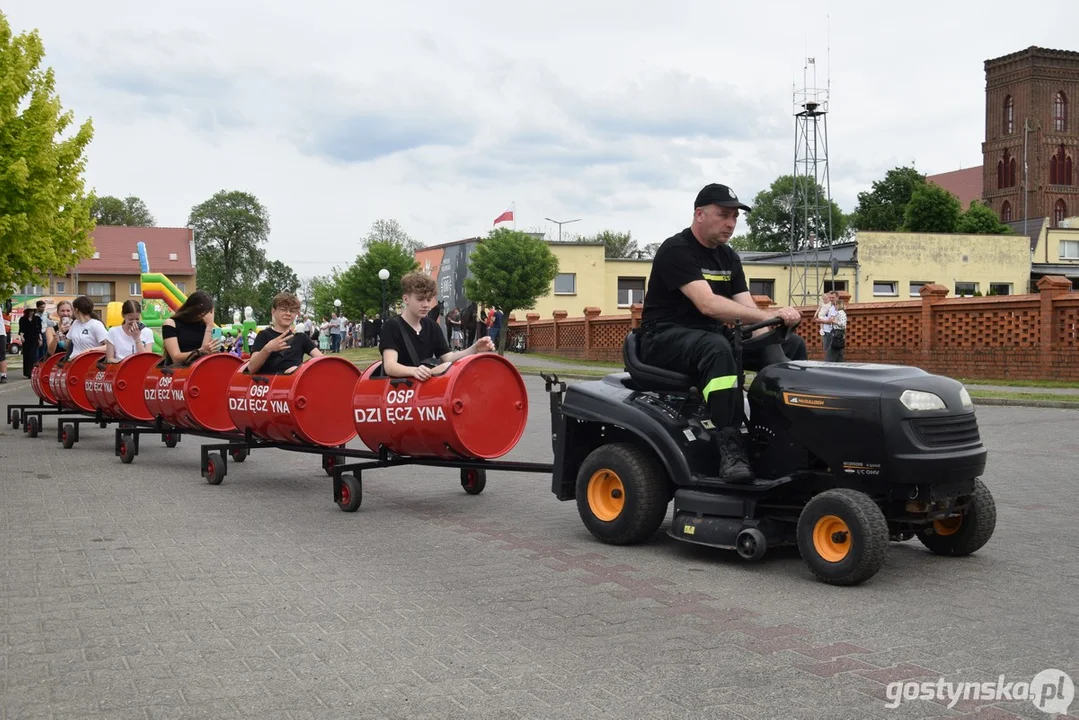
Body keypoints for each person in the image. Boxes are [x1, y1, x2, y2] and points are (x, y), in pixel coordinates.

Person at [639, 183, 807, 485]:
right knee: (718, 349)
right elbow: (708, 305)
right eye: (723, 215)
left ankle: (781, 433)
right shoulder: (676, 250)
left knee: (791, 346)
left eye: (734, 217)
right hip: (663, 337)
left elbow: (747, 310)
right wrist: (768, 315)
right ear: (699, 214)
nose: (730, 224)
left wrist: (778, 326)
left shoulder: (728, 257)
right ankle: (730, 446)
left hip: (709, 336)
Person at [380, 272, 494, 379]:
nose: (426, 305)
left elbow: (448, 358)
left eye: (429, 300)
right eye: (420, 299)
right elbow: (390, 366)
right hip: (399, 391)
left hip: (425, 388)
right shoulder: (391, 326)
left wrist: (474, 348)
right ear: (406, 299)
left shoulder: (432, 326)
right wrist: (414, 371)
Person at [247, 292, 322, 374]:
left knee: (294, 369)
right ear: (273, 311)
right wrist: (268, 349)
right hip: (270, 383)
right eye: (283, 309)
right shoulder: (264, 335)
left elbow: (323, 361)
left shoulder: (301, 338)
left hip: (295, 382)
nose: (288, 314)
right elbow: (251, 368)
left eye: (292, 311)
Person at [161, 290, 222, 365]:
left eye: (208, 312)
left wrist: (209, 326)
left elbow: (208, 356)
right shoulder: (171, 323)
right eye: (202, 312)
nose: (204, 316)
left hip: (203, 369)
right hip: (180, 370)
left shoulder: (207, 325)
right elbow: (176, 357)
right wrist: (200, 351)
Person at [18, 308, 41, 377]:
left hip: (34, 339)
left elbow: (39, 330)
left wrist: (40, 339)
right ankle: (27, 372)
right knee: (26, 356)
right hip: (26, 339)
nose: (31, 312)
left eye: (33, 311)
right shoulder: (22, 319)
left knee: (33, 355)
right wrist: (21, 337)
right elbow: (21, 329)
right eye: (30, 311)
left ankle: (32, 372)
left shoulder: (37, 319)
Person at [825, 297, 847, 363]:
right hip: (838, 333)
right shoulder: (840, 312)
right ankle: (841, 364)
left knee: (831, 351)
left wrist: (835, 322)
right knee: (839, 352)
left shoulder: (840, 313)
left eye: (835, 305)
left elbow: (843, 324)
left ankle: (828, 365)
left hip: (837, 334)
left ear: (838, 305)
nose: (834, 306)